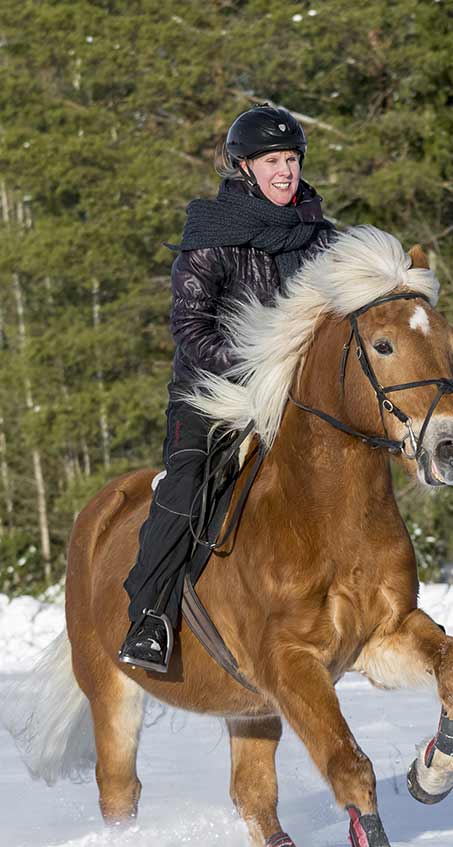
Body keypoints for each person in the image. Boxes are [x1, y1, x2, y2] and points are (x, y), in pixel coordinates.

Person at [119, 104, 337, 671]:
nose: (286, 171)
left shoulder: (321, 238)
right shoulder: (211, 235)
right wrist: (257, 366)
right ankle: (151, 618)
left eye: (292, 159)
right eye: (273, 161)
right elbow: (190, 328)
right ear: (245, 168)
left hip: (295, 400)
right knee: (187, 483)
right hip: (214, 394)